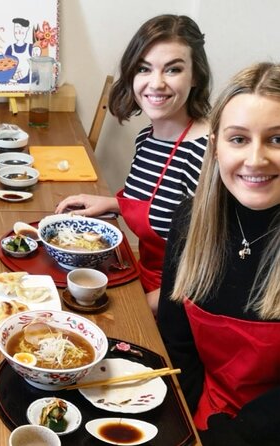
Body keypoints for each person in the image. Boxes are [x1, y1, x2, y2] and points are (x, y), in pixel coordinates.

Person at [157, 62, 280, 446]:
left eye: (277, 139)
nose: (256, 159)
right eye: (238, 139)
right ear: (215, 146)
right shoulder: (191, 221)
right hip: (202, 413)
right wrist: (182, 426)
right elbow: (176, 345)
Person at [54, 15, 211, 312]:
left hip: (180, 303)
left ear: (196, 77)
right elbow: (154, 201)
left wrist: (143, 307)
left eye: (173, 69)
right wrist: (112, 203)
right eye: (144, 69)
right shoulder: (147, 138)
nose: (156, 83)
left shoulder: (205, 153)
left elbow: (212, 269)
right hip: (142, 278)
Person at [4, 17, 33, 83]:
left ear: (26, 30)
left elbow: (34, 70)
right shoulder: (10, 48)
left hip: (27, 83)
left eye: (21, 30)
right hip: (11, 83)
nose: (18, 32)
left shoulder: (30, 48)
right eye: (16, 29)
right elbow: (5, 67)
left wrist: (19, 82)